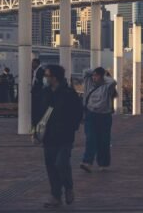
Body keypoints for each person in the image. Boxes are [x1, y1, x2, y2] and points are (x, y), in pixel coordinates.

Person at [40, 65, 84, 209]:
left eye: (47, 75)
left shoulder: (68, 93)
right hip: (48, 136)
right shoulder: (45, 92)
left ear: (54, 77)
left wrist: (72, 127)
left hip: (64, 135)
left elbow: (78, 113)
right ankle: (55, 196)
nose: (45, 78)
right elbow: (39, 113)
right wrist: (35, 131)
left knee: (61, 163)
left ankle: (68, 187)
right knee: (51, 166)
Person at [80, 67, 117, 173]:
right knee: (90, 138)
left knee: (103, 140)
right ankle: (87, 162)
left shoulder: (107, 86)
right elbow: (85, 71)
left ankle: (103, 163)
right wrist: (97, 70)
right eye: (93, 75)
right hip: (90, 114)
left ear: (101, 77)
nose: (94, 77)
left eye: (96, 76)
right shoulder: (89, 84)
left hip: (104, 116)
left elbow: (113, 81)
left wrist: (104, 74)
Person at [31, 58, 46, 128]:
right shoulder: (35, 71)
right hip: (36, 93)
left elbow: (42, 83)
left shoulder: (40, 71)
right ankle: (34, 128)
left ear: (37, 63)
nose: (32, 64)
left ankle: (35, 129)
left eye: (33, 63)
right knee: (35, 112)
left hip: (38, 94)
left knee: (36, 112)